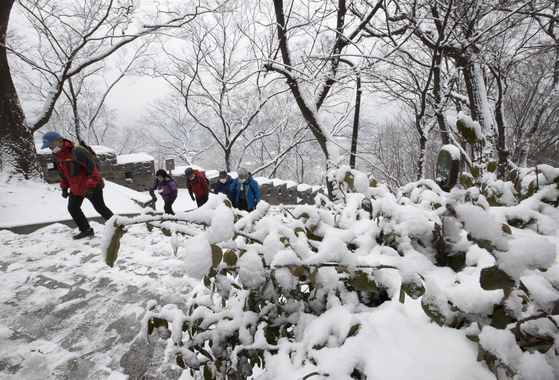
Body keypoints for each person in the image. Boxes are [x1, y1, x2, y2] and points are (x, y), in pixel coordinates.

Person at [41, 131, 114, 240]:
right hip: (76, 187)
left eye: (51, 145)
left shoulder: (78, 152)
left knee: (100, 208)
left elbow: (92, 170)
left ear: (59, 141)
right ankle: (86, 230)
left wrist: (89, 187)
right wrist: (64, 188)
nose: (50, 148)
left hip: (92, 186)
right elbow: (64, 174)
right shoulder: (58, 156)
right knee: (73, 208)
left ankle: (119, 225)